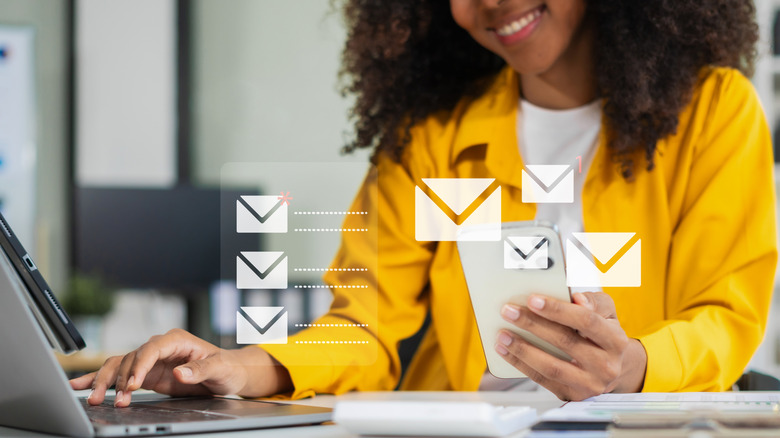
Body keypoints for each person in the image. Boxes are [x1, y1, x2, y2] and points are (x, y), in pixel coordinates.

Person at [72, 0, 777, 405]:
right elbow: (366, 327)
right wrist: (238, 366)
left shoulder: (714, 112)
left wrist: (634, 367)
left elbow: (723, 316)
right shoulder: (431, 138)